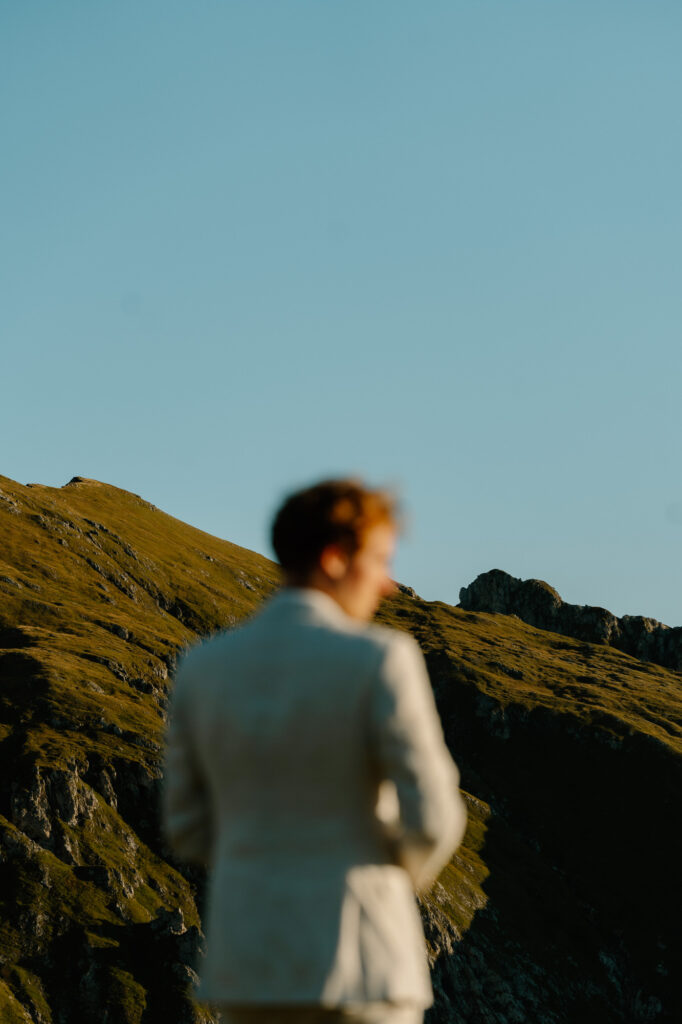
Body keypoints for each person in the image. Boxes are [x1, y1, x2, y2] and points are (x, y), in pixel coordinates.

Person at [162, 479, 467, 1024]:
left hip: (250, 968)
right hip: (361, 964)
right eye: (378, 560)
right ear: (333, 559)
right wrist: (381, 880)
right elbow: (435, 817)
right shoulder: (379, 659)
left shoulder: (204, 667)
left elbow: (186, 824)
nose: (388, 584)